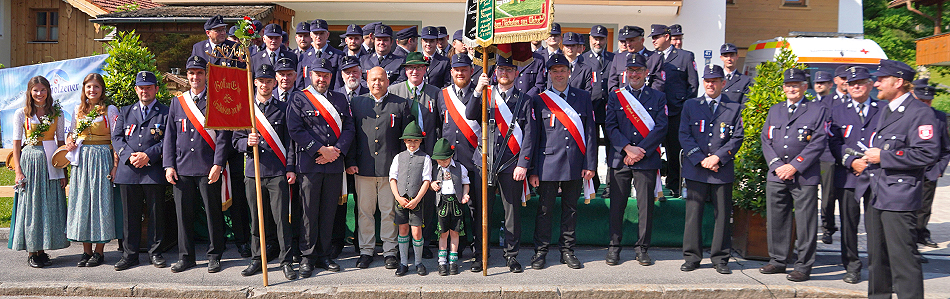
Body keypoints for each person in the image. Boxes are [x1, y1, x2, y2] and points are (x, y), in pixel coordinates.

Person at [863, 59, 934, 299]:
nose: (876, 83)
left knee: (903, 259)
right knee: (877, 258)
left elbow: (926, 152)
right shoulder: (888, 109)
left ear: (899, 82)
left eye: (882, 79)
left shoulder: (920, 112)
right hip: (877, 192)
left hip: (899, 197)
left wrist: (883, 156)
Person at [523, 53, 596, 270]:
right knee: (545, 210)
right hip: (547, 164)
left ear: (569, 72)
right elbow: (534, 137)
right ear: (549, 74)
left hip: (574, 162)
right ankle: (541, 251)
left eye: (563, 70)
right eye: (555, 71)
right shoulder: (539, 99)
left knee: (570, 209)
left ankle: (567, 250)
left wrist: (590, 164)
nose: (559, 74)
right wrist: (533, 170)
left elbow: (590, 132)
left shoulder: (582, 97)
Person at [163, 56, 233, 274]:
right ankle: (186, 257)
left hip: (207, 167)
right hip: (182, 167)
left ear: (206, 75)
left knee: (213, 213)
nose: (195, 77)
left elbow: (223, 136)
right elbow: (169, 136)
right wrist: (169, 165)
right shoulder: (178, 101)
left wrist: (218, 163)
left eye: (199, 73)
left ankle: (214, 255)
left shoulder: (217, 99)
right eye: (191, 73)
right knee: (183, 215)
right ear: (187, 75)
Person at [465, 55, 534, 273]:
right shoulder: (486, 95)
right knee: (482, 212)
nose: (504, 74)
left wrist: (523, 164)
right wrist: (477, 89)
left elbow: (530, 135)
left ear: (516, 73)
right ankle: (480, 255)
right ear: (495, 73)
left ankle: (511, 256)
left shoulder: (524, 100)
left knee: (511, 212)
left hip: (510, 164)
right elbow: (469, 114)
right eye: (501, 70)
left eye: (509, 70)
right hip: (484, 163)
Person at [758, 68, 827, 282]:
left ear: (804, 87)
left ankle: (803, 266)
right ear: (783, 89)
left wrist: (795, 166)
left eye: (795, 85)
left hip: (804, 176)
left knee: (806, 222)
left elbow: (819, 141)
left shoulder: (816, 109)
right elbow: (766, 139)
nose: (791, 89)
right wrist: (777, 164)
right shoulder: (775, 110)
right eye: (788, 85)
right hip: (777, 174)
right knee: (777, 218)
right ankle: (778, 260)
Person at [287, 58, 354, 277]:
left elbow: (349, 129)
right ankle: (308, 256)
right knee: (308, 212)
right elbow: (295, 129)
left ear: (331, 77)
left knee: (328, 212)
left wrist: (336, 152)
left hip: (333, 165)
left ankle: (325, 255)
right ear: (310, 74)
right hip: (309, 164)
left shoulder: (340, 98)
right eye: (318, 74)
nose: (322, 79)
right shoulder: (299, 98)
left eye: (326, 75)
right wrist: (319, 150)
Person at [234, 64, 298, 280]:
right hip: (253, 173)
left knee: (281, 220)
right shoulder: (246, 109)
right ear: (255, 82)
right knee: (256, 219)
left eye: (269, 81)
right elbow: (235, 140)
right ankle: (256, 258)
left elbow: (290, 143)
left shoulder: (283, 108)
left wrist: (290, 168)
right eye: (261, 81)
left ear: (274, 83)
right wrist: (246, 142)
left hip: (277, 172)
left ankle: (286, 261)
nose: (264, 84)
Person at [678, 65, 742, 274]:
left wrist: (717, 158)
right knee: (693, 215)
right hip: (696, 169)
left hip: (720, 169)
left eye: (715, 80)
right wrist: (700, 158)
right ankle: (692, 257)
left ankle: (720, 258)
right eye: (707, 80)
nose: (710, 84)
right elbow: (684, 135)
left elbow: (737, 138)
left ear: (723, 83)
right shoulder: (691, 105)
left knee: (722, 215)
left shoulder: (734, 108)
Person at [604, 53, 666, 267]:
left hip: (646, 159)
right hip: (621, 158)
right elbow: (610, 126)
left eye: (638, 70)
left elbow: (661, 128)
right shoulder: (615, 96)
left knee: (645, 207)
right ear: (625, 73)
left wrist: (641, 151)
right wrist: (628, 149)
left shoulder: (658, 97)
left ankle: (642, 249)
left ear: (646, 73)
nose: (634, 74)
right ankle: (614, 247)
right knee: (617, 206)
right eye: (631, 70)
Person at [348, 66, 412, 269]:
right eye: (373, 79)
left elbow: (405, 139)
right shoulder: (357, 102)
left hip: (390, 170)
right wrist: (350, 162)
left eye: (381, 80)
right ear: (367, 81)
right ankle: (366, 250)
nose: (377, 83)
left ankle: (390, 251)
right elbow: (351, 135)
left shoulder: (400, 104)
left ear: (387, 81)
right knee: (364, 212)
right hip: (363, 168)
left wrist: (403, 166)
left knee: (388, 212)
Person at [112, 71, 171, 271]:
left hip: (152, 171)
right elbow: (117, 137)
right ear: (136, 89)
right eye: (141, 87)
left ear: (156, 89)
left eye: (148, 87)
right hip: (128, 171)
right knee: (130, 215)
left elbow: (168, 139)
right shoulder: (126, 111)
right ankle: (130, 255)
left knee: (156, 214)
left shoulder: (166, 112)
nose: (144, 91)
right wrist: (129, 155)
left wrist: (148, 155)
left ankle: (155, 253)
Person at [9, 76, 69, 268]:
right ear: (30, 92)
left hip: (51, 160)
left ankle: (43, 250)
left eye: (43, 90)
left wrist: (63, 171)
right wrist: (18, 170)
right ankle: (32, 251)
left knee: (48, 205)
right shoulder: (22, 113)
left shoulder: (56, 113)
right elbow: (16, 144)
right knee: (32, 205)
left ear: (48, 91)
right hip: (30, 161)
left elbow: (61, 143)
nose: (39, 94)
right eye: (35, 90)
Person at [827, 66, 879, 284]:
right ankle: (852, 266)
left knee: (876, 226)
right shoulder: (836, 110)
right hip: (848, 175)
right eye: (852, 82)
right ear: (846, 86)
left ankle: (879, 268)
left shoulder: (882, 108)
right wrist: (850, 161)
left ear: (869, 84)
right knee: (849, 224)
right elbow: (832, 141)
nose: (856, 86)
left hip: (876, 175)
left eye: (861, 82)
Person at [389, 52, 444, 259]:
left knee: (426, 200)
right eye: (410, 68)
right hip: (403, 155)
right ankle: (402, 246)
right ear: (405, 70)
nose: (414, 71)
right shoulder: (395, 91)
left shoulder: (435, 92)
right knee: (402, 197)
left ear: (425, 70)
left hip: (427, 154)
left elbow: (440, 124)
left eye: (419, 67)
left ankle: (425, 242)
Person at [64, 73, 119, 267]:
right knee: (83, 203)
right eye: (89, 87)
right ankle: (85, 251)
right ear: (84, 89)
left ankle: (99, 251)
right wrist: (69, 141)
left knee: (100, 204)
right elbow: (71, 132)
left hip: (102, 157)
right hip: (81, 160)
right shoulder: (78, 109)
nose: (92, 90)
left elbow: (116, 138)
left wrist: (114, 166)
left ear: (102, 89)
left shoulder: (110, 110)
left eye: (96, 87)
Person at [437, 54, 486, 271]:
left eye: (464, 69)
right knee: (449, 207)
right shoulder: (442, 95)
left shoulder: (483, 92)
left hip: (474, 160)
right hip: (449, 163)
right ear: (451, 72)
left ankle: (479, 253)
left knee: (476, 207)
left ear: (471, 71)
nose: (460, 73)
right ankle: (451, 251)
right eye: (456, 69)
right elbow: (440, 128)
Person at [646, 24, 699, 199]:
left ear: (667, 37)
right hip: (655, 112)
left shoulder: (685, 56)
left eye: (657, 37)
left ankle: (675, 184)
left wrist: (685, 108)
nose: (654, 40)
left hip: (676, 110)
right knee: (652, 148)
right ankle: (654, 185)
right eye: (652, 37)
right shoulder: (651, 57)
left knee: (675, 149)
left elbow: (693, 84)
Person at [388, 121, 432, 276]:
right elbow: (392, 178)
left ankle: (419, 263)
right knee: (403, 229)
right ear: (404, 141)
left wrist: (417, 199)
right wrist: (398, 197)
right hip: (401, 200)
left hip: (416, 201)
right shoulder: (398, 157)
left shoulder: (425, 158)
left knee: (416, 231)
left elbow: (426, 181)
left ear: (420, 141)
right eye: (409, 140)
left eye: (415, 140)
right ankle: (404, 263)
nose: (412, 143)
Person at [911, 78, 950, 251]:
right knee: (908, 208)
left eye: (928, 101)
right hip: (908, 169)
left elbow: (945, 148)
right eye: (922, 101)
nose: (925, 104)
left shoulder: (940, 117)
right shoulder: (907, 115)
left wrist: (939, 169)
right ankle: (909, 242)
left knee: (924, 208)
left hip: (930, 170)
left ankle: (921, 234)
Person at [429, 138, 470, 276]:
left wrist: (465, 195)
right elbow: (429, 182)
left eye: (444, 160)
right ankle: (442, 262)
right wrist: (432, 185)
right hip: (442, 204)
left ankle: (453, 261)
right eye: (439, 161)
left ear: (451, 156)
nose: (441, 163)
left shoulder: (459, 168)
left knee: (455, 232)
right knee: (443, 233)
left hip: (456, 203)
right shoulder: (435, 169)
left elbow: (465, 183)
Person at [813, 70, 839, 245]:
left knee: (828, 195)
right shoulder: (809, 104)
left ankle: (827, 228)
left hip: (828, 155)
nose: (819, 85)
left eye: (823, 82)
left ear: (831, 84)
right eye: (817, 82)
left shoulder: (837, 105)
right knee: (807, 193)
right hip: (811, 155)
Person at [301, 19, 344, 91]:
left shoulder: (338, 55)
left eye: (321, 33)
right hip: (308, 98)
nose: (318, 36)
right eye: (315, 33)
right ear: (311, 35)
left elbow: (338, 83)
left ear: (327, 35)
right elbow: (300, 83)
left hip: (328, 98)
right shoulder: (304, 56)